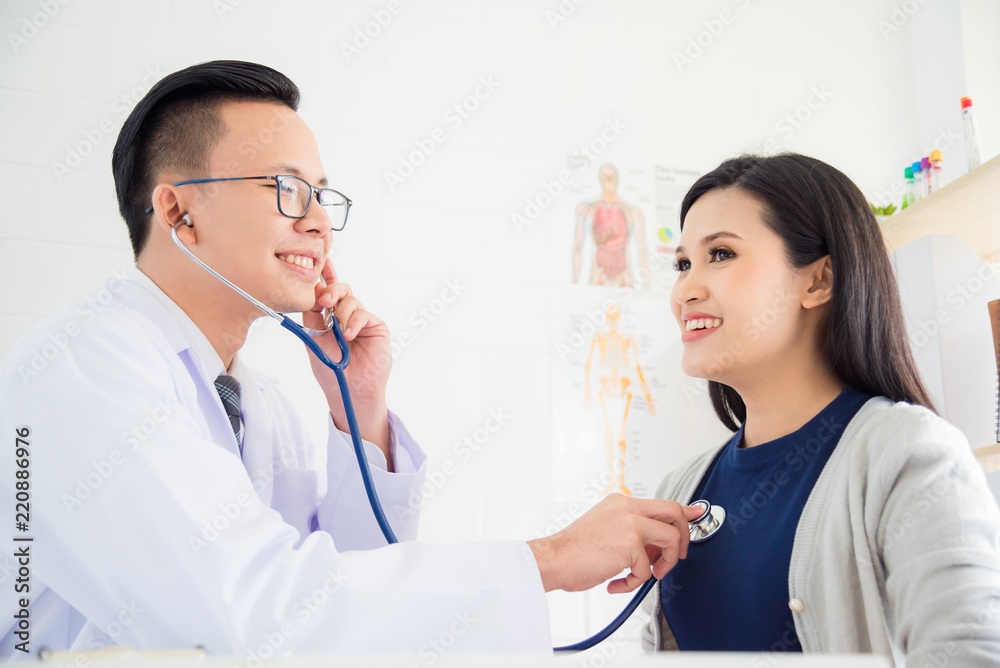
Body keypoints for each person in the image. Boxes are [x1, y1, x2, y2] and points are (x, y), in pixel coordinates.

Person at [0, 60, 704, 659]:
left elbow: (347, 605)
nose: (315, 222)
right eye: (286, 190)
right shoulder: (82, 368)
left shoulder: (258, 401)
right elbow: (251, 607)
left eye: (321, 196)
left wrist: (358, 408)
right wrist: (548, 561)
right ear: (180, 214)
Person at [640, 153, 1000, 665]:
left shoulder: (909, 455)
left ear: (818, 281)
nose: (684, 292)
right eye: (682, 264)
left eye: (720, 254)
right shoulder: (678, 490)